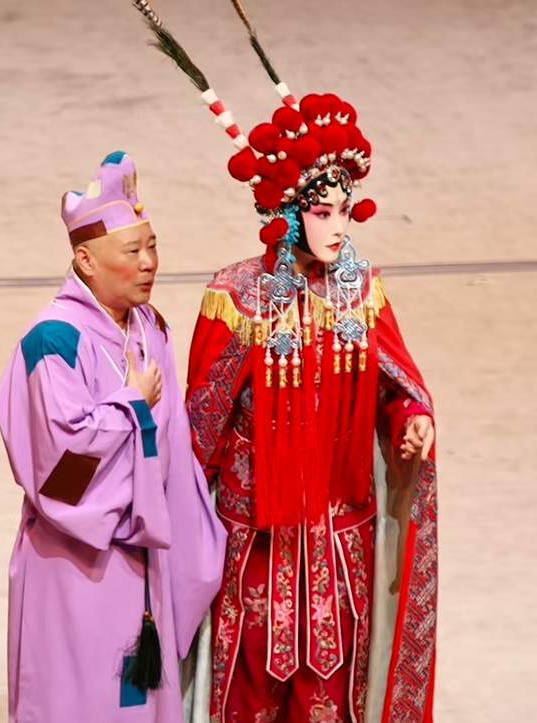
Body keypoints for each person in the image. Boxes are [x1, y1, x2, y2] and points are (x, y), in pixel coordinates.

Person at [132, 2, 437, 721]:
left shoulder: (362, 290)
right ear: (289, 214)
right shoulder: (236, 297)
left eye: (345, 210)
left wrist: (413, 420)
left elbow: (397, 385)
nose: (339, 226)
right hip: (256, 543)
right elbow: (200, 427)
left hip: (340, 537)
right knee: (247, 689)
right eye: (323, 212)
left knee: (331, 692)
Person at [0, 150, 227, 723]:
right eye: (132, 251)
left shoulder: (152, 329)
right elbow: (60, 474)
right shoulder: (54, 343)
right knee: (79, 700)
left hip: (145, 560)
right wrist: (129, 407)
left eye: (152, 247)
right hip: (77, 565)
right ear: (86, 260)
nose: (148, 264)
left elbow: (174, 451)